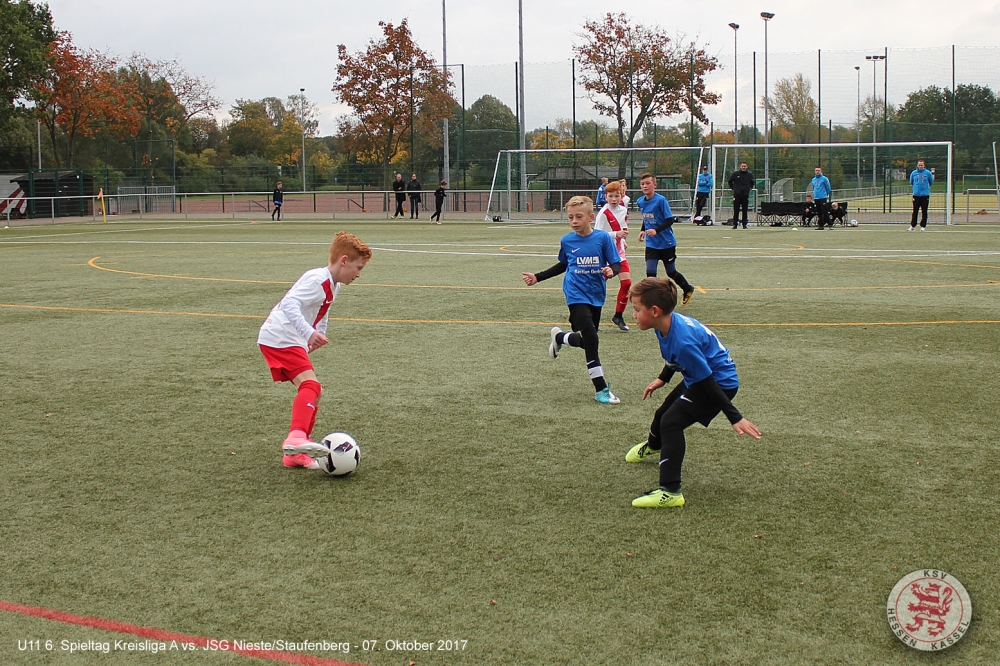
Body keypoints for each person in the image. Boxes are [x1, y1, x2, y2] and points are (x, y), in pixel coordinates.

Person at [626, 278, 761, 508]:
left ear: (655, 311)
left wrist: (735, 417)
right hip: (698, 376)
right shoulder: (665, 324)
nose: (634, 315)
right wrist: (663, 378)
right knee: (662, 413)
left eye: (637, 310)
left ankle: (670, 492)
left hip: (718, 383)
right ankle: (654, 446)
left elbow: (707, 380)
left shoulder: (684, 342)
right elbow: (673, 356)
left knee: (671, 422)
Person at [258, 232, 373, 469]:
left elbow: (323, 309)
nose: (359, 274)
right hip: (281, 335)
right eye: (358, 267)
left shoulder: (333, 284)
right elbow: (289, 303)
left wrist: (318, 332)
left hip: (286, 337)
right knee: (311, 385)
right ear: (344, 261)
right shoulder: (317, 279)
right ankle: (296, 438)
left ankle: (295, 454)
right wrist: (308, 332)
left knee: (315, 392)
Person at [521, 196, 623, 405]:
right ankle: (601, 389)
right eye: (570, 217)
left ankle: (560, 338)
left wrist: (611, 271)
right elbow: (563, 264)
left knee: (587, 341)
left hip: (596, 295)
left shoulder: (603, 238)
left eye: (579, 216)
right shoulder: (567, 241)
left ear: (591, 217)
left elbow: (616, 264)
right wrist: (538, 277)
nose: (574, 221)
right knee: (592, 339)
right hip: (575, 294)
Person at [636, 172, 695, 306]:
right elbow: (647, 218)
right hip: (651, 244)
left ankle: (687, 288)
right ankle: (654, 301)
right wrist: (642, 230)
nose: (645, 186)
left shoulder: (661, 200)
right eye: (642, 184)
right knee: (650, 273)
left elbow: (669, 220)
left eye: (648, 183)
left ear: (655, 185)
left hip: (666, 243)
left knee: (671, 272)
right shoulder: (640, 201)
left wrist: (656, 230)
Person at [594, 181, 631, 332]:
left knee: (627, 283)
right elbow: (597, 234)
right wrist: (616, 234)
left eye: (616, 196)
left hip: (619, 252)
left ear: (621, 196)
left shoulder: (623, 210)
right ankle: (592, 317)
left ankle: (618, 316)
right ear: (605, 197)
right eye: (610, 196)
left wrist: (623, 240)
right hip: (605, 253)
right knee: (598, 284)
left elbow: (623, 228)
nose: (614, 199)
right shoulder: (604, 212)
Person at [909, 160, 934, 231]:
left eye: (921, 165)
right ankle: (912, 226)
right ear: (917, 165)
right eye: (919, 165)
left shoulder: (928, 173)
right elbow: (911, 182)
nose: (920, 166)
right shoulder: (914, 173)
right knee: (915, 211)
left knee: (924, 211)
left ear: (924, 165)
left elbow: (931, 182)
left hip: (925, 195)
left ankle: (923, 226)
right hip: (916, 195)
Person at [727, 162, 754, 229]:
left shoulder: (749, 175)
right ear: (740, 167)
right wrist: (733, 188)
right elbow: (730, 181)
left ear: (747, 167)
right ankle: (735, 224)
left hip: (745, 195)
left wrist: (749, 188)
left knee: (745, 210)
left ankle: (744, 224)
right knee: (736, 210)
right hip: (737, 195)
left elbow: (752, 182)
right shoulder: (736, 174)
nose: (743, 167)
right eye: (742, 166)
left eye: (745, 166)